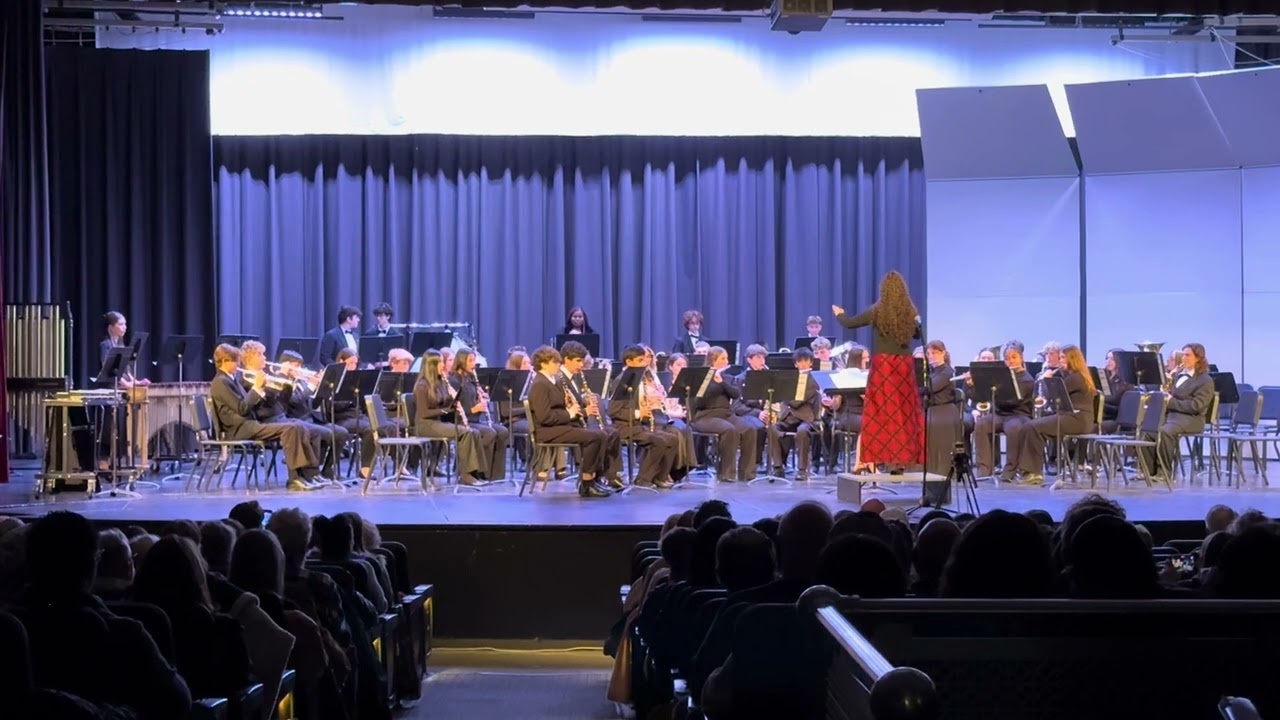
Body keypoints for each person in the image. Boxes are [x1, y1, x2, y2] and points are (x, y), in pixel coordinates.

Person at [832, 270, 924, 472]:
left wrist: (840, 314)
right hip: (903, 364)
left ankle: (877, 458)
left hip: (884, 365)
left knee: (881, 412)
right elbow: (918, 336)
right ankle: (900, 460)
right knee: (903, 412)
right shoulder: (910, 311)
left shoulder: (878, 311)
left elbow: (850, 323)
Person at [208, 343, 323, 490]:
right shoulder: (220, 382)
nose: (238, 364)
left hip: (250, 424)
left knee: (297, 426)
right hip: (240, 429)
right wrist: (257, 387)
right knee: (291, 428)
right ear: (224, 362)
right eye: (235, 361)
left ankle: (306, 475)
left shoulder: (230, 379)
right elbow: (242, 408)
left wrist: (262, 387)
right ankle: (294, 479)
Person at [526, 345, 615, 497]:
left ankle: (594, 478)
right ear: (543, 364)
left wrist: (573, 406)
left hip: (559, 426)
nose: (558, 365)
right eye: (555, 363)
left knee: (603, 434)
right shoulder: (540, 384)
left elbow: (557, 407)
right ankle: (586, 483)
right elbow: (544, 417)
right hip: (547, 431)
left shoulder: (551, 381)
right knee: (596, 437)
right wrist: (570, 413)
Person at [1016, 344, 1095, 486]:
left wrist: (1046, 380)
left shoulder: (1076, 378)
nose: (1061, 360)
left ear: (1073, 359)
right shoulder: (1072, 376)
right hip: (1073, 417)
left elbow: (1053, 397)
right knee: (1032, 426)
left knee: (1033, 427)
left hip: (1077, 419)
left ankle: (1033, 473)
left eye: (1063, 357)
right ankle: (1029, 470)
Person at [413, 351, 493, 487]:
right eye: (440, 363)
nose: (443, 366)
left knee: (473, 432)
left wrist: (455, 400)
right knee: (465, 432)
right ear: (432, 365)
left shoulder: (440, 383)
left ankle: (477, 473)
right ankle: (465, 475)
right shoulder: (422, 385)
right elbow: (424, 412)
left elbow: (446, 403)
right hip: (425, 425)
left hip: (436, 422)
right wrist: (446, 410)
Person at [1141, 342, 1215, 479]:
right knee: (1148, 430)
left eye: (1188, 355)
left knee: (1166, 432)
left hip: (1192, 419)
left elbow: (1196, 406)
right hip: (1173, 416)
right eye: (1183, 355)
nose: (1183, 358)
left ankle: (1164, 472)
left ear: (1198, 358)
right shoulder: (1179, 375)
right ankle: (1148, 471)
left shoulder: (1205, 380)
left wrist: (1171, 401)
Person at [690, 346, 759, 482]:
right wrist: (710, 381)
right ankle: (726, 473)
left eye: (726, 358)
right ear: (712, 360)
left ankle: (747, 473)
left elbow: (736, 394)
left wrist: (721, 382)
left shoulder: (727, 377)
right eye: (723, 358)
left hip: (726, 414)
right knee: (729, 430)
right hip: (705, 415)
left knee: (749, 428)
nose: (727, 361)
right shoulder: (701, 378)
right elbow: (699, 402)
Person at [449, 348, 508, 481]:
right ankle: (480, 472)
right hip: (460, 420)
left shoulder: (470, 379)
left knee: (502, 431)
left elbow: (472, 399)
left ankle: (496, 474)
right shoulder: (454, 381)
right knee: (489, 433)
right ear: (461, 361)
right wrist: (473, 409)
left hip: (474, 419)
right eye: (470, 360)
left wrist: (482, 398)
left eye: (474, 360)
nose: (473, 364)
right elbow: (453, 407)